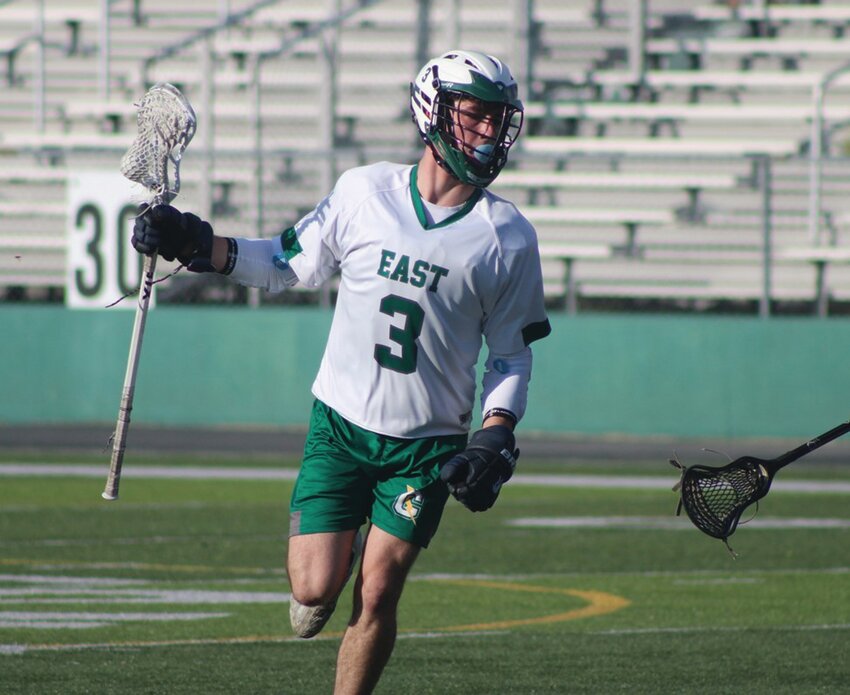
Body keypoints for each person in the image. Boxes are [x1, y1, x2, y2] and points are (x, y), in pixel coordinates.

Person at [132, 49, 551, 695]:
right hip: (340, 428)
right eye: (475, 116)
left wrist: (495, 431)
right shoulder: (364, 191)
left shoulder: (508, 237)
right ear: (432, 113)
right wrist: (194, 242)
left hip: (426, 445)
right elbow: (283, 263)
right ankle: (327, 563)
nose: (490, 133)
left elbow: (511, 354)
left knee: (379, 588)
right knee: (313, 589)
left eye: (498, 120)